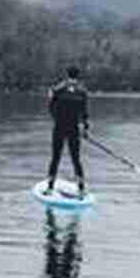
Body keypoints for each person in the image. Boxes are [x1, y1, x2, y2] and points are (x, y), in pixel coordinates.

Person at [46, 63, 90, 195]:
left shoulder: (58, 88)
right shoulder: (83, 91)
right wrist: (85, 129)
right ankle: (81, 189)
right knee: (76, 159)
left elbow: (51, 107)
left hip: (59, 127)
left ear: (67, 75)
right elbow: (84, 113)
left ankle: (50, 187)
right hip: (74, 129)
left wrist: (55, 116)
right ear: (78, 76)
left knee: (55, 157)